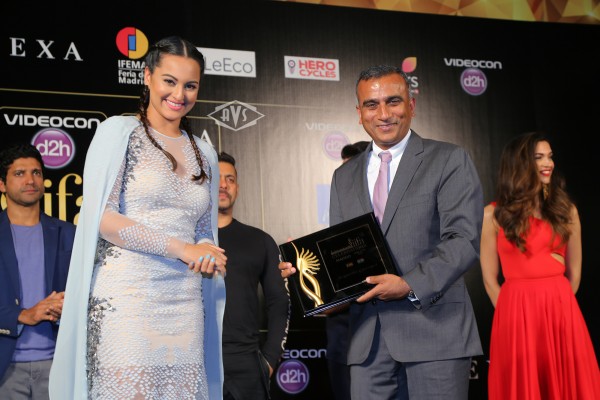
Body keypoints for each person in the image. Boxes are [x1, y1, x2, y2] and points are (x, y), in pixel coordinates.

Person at [280, 64, 483, 399]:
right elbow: (345, 257)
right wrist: (310, 278)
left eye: (394, 101)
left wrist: (409, 284)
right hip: (368, 346)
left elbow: (463, 240)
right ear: (359, 113)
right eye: (372, 105)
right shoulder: (343, 177)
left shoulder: (448, 159)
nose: (384, 114)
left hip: (435, 335)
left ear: (411, 105)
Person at [48, 36, 227, 400]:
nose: (179, 94)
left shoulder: (204, 152)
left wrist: (207, 250)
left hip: (184, 303)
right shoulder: (119, 133)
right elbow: (102, 218)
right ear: (147, 76)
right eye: (169, 81)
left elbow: (203, 227)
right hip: (126, 299)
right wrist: (182, 249)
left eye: (190, 85)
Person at [480, 132, 599, 400]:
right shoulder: (492, 215)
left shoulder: (566, 211)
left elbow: (575, 273)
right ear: (519, 163)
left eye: (550, 156)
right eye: (539, 157)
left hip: (560, 314)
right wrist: (513, 314)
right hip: (515, 315)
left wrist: (557, 306)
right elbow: (489, 279)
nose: (548, 163)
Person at [0, 143, 76, 400]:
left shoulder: (69, 234)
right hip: (5, 368)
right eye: (19, 173)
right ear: (2, 184)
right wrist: (23, 315)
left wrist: (69, 307)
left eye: (36, 173)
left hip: (60, 365)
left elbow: (90, 295)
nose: (30, 180)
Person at [217, 151, 290, 400]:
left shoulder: (260, 240)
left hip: (247, 361)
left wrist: (270, 358)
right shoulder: (185, 241)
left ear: (237, 188)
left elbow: (279, 302)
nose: (223, 185)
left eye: (230, 179)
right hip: (195, 358)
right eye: (217, 178)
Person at [326, 140, 370, 400]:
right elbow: (325, 296)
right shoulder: (334, 237)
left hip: (387, 344)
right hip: (342, 343)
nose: (345, 182)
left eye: (351, 173)